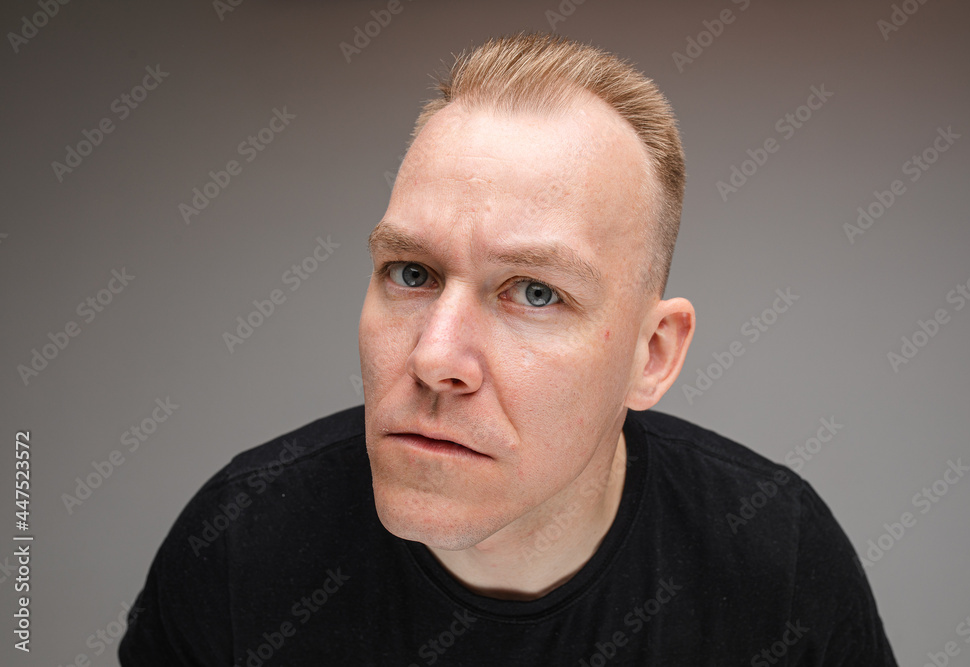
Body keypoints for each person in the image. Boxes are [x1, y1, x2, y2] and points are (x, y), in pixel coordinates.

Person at [120, 31, 898, 665]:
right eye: (412, 272)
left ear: (651, 354)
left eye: (534, 291)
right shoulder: (240, 547)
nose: (434, 357)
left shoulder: (778, 566)